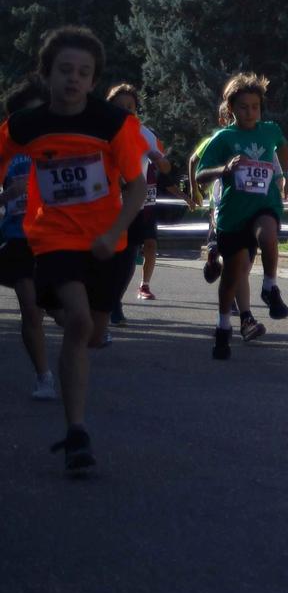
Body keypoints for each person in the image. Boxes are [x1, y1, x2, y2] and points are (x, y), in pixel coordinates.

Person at [0, 26, 149, 475]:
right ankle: (77, 431)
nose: (74, 79)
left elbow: (138, 187)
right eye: (65, 70)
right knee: (80, 322)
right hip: (54, 237)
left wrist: (114, 232)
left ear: (94, 79)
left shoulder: (112, 123)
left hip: (108, 241)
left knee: (92, 331)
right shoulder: (26, 125)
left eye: (84, 73)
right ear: (47, 74)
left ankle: (60, 317)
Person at [190, 74, 288, 359]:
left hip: (264, 205)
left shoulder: (270, 130)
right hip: (232, 215)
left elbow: (282, 145)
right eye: (244, 107)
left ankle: (270, 286)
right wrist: (224, 169)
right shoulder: (224, 138)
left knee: (269, 233)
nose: (251, 112)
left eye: (255, 106)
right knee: (233, 275)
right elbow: (200, 175)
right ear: (231, 109)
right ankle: (224, 325)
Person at [1, 83, 56, 399]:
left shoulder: (59, 146)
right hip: (18, 236)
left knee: (65, 313)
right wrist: (8, 194)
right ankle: (43, 376)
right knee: (30, 308)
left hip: (55, 236)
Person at [105, 84, 167, 306]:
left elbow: (165, 165)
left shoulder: (143, 133)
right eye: (119, 106)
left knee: (127, 257)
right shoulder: (100, 131)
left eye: (130, 106)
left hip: (134, 205)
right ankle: (104, 298)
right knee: (106, 255)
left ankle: (115, 302)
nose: (125, 110)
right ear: (109, 107)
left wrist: (158, 159)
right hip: (103, 204)